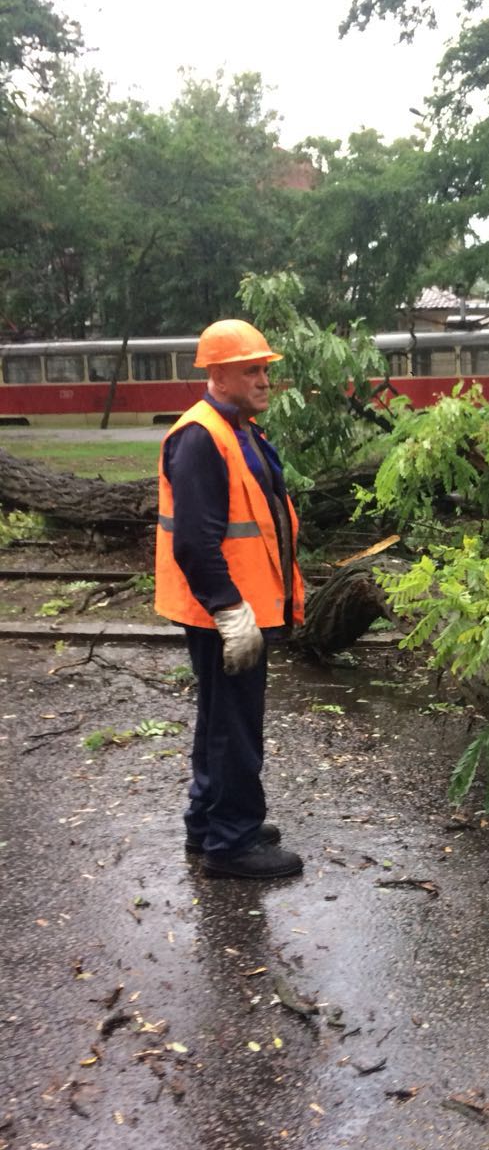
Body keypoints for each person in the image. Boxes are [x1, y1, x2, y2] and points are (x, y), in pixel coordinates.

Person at [155, 318, 305, 879]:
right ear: (217, 374)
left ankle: (208, 822)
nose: (265, 380)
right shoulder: (202, 437)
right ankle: (233, 842)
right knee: (235, 725)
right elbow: (195, 540)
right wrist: (228, 609)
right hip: (226, 612)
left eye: (266, 369)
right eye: (252, 370)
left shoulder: (239, 428)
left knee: (222, 718)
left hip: (241, 606)